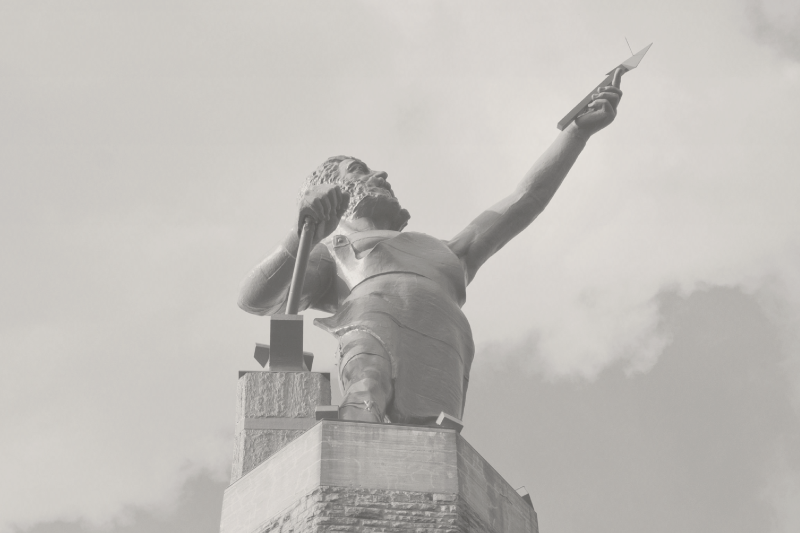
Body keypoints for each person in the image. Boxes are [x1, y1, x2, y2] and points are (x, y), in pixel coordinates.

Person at [239, 85, 623, 424]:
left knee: (434, 432)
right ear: (333, 189)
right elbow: (256, 300)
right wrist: (300, 232)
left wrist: (576, 132)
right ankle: (354, 428)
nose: (380, 174)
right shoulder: (332, 250)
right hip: (370, 322)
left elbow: (527, 199)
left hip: (444, 339)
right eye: (358, 170)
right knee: (366, 391)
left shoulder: (447, 251)